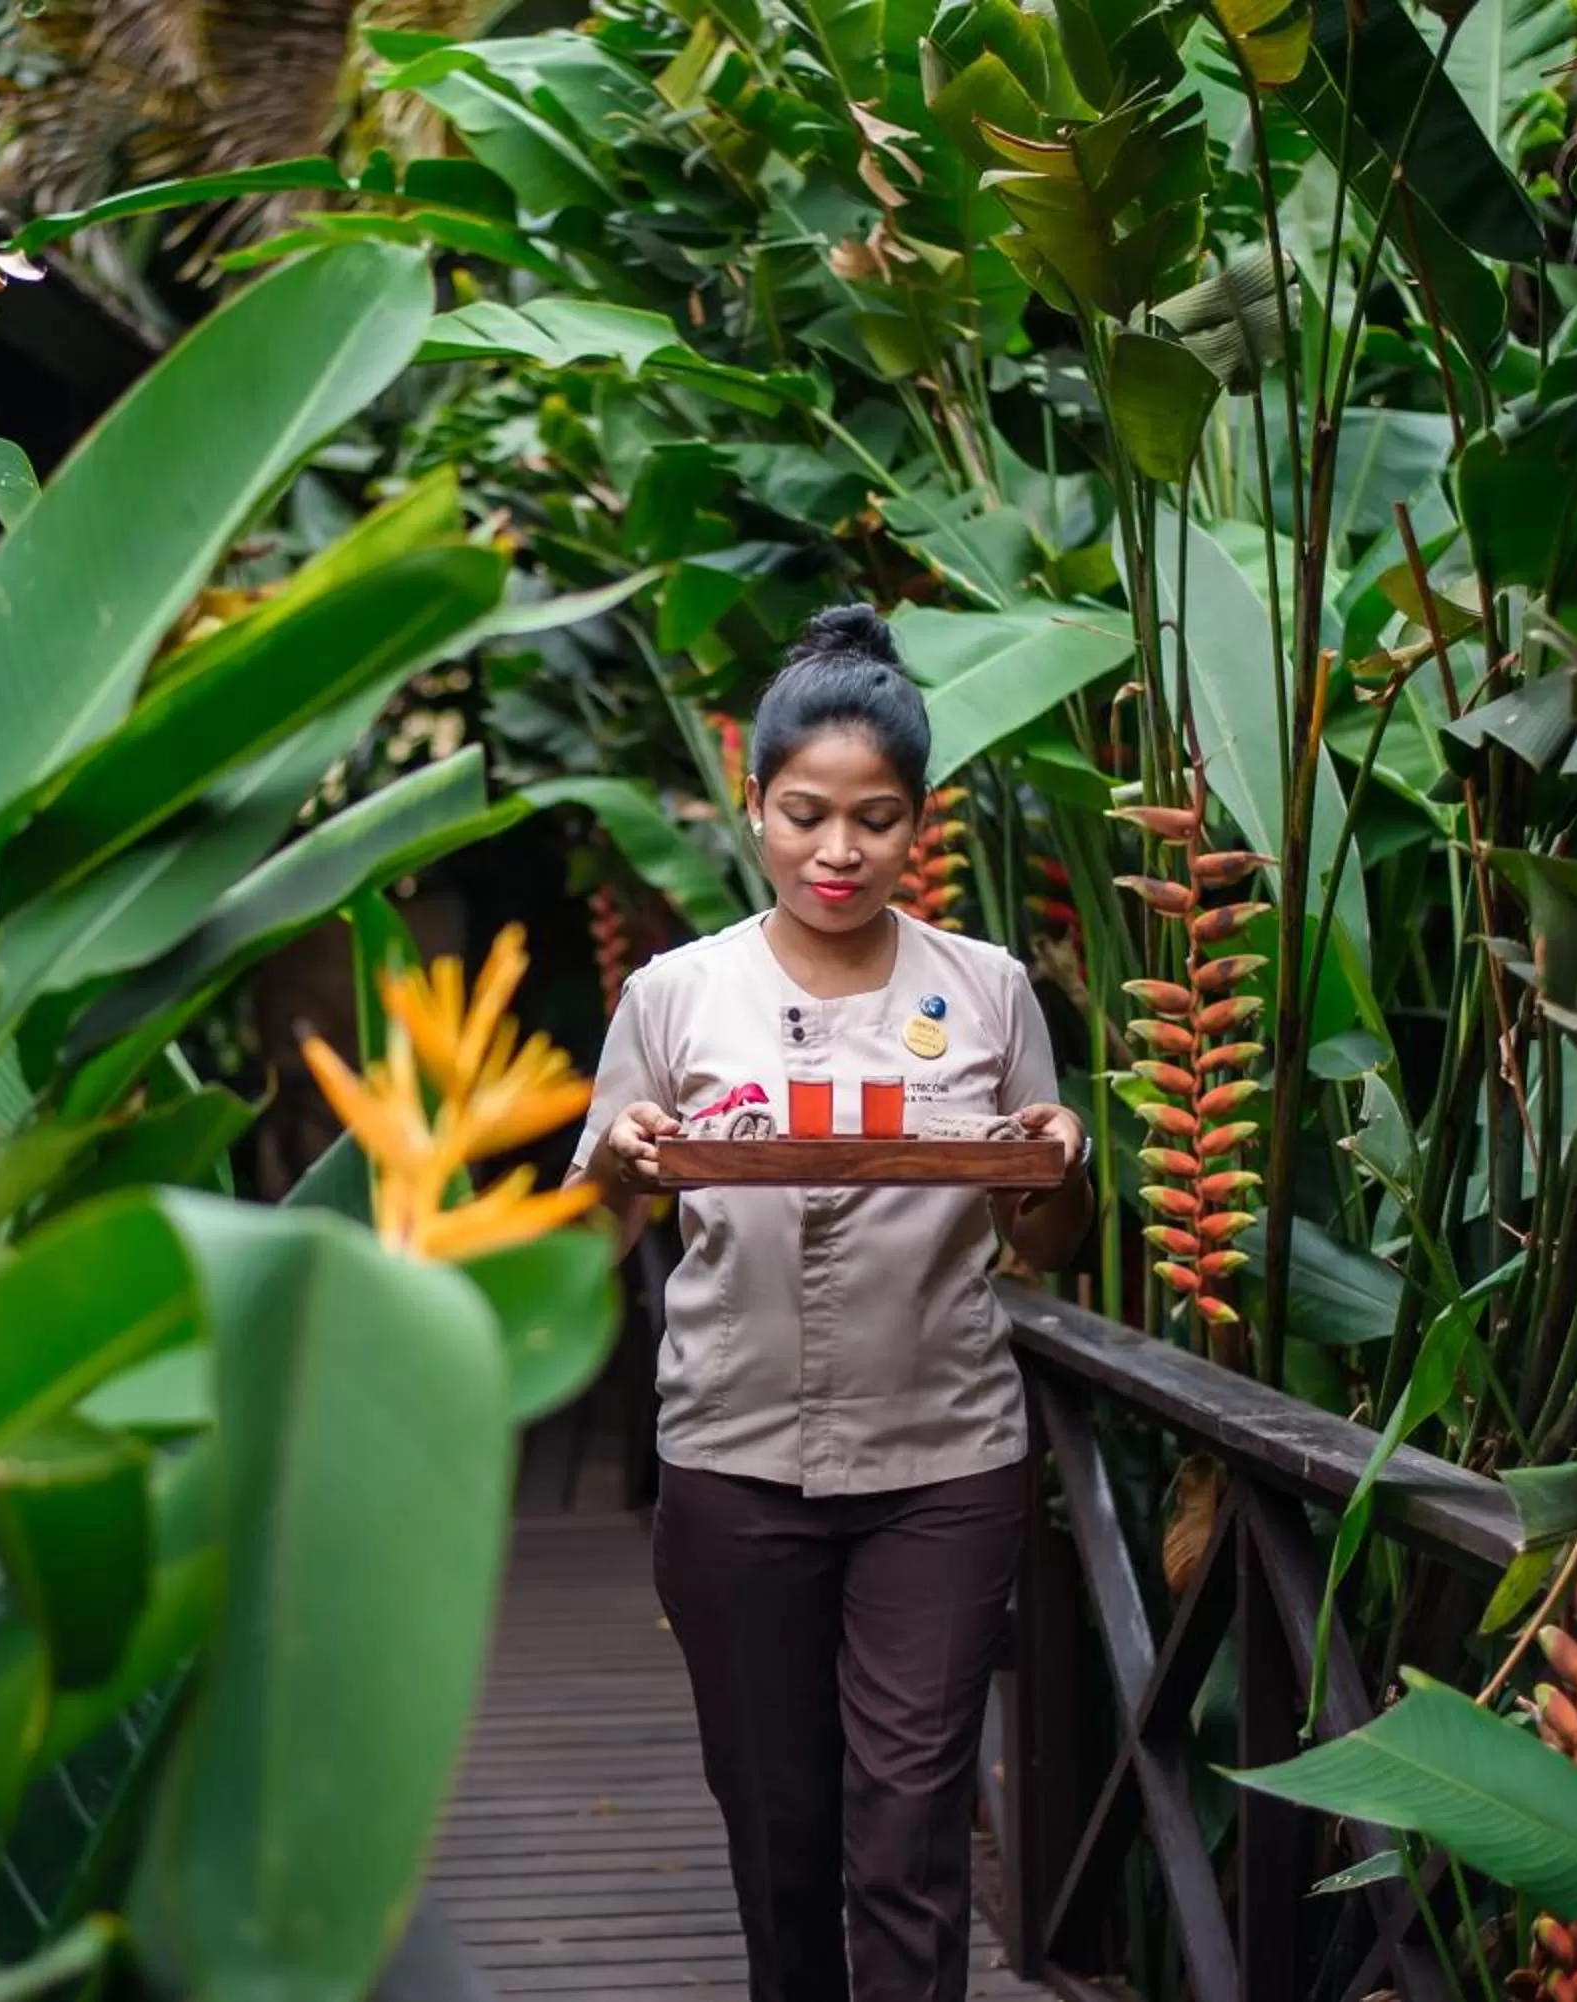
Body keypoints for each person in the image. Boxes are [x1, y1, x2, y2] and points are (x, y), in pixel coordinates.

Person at [566, 603, 1094, 2002]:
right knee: (779, 1835)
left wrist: (1060, 1158)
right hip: (732, 1461)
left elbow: (1051, 1242)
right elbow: (592, 1237)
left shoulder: (989, 991)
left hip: (945, 1461)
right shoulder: (676, 996)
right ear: (754, 803)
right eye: (806, 815)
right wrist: (620, 1160)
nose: (838, 851)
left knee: (910, 1836)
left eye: (876, 819)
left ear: (919, 821)